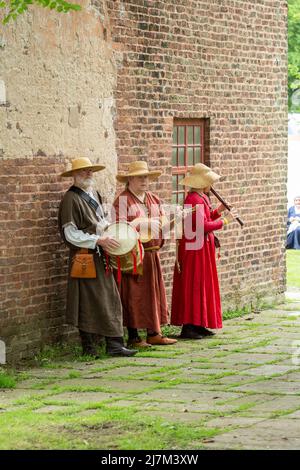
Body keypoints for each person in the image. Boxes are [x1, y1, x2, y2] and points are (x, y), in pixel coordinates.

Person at [58, 157, 137, 357]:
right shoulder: (70, 199)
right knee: (85, 300)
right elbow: (70, 234)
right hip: (84, 258)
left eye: (91, 171)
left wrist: (109, 233)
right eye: (84, 171)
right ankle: (91, 346)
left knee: (108, 296)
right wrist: (97, 241)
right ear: (74, 176)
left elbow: (101, 221)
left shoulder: (95, 194)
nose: (89, 174)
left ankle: (113, 344)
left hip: (100, 254)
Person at [113, 160, 177, 348]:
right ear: (130, 179)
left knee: (153, 293)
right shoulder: (123, 200)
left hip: (151, 254)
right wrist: (141, 222)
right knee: (134, 295)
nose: (144, 180)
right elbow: (118, 227)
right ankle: (133, 337)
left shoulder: (153, 199)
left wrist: (175, 220)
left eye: (146, 176)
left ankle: (154, 333)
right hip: (133, 256)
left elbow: (163, 227)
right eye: (140, 177)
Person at [171, 163, 237, 339]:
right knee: (194, 284)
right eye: (209, 181)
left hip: (202, 249)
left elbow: (207, 217)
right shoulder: (192, 200)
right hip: (194, 250)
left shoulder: (202, 198)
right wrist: (226, 221)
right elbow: (202, 226)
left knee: (203, 284)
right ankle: (189, 326)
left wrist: (219, 211)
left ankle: (199, 323)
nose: (211, 184)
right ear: (202, 182)